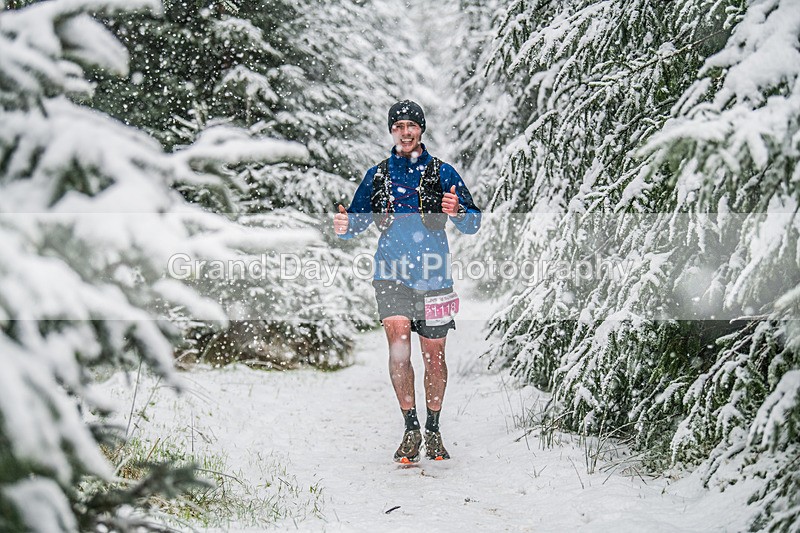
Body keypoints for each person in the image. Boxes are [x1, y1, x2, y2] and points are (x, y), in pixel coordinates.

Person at [334, 100, 481, 463]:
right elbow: (355, 222)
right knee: (399, 351)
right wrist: (344, 225)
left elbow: (473, 222)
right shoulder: (378, 176)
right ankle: (410, 428)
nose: (404, 132)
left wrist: (458, 211)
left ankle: (433, 429)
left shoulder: (442, 172)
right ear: (391, 131)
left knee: (434, 357)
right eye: (398, 126)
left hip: (435, 278)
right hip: (390, 277)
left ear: (421, 130)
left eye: (410, 125)